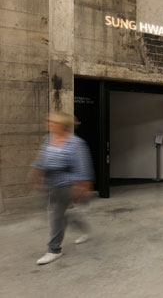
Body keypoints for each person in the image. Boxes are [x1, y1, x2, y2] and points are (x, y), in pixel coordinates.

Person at [28, 112, 94, 265]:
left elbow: (83, 167)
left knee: (56, 215)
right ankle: (82, 227)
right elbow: (41, 160)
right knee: (60, 215)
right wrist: (35, 175)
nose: (49, 123)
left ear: (61, 125)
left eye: (52, 121)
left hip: (67, 184)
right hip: (50, 184)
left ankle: (54, 250)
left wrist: (83, 187)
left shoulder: (76, 143)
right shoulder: (48, 140)